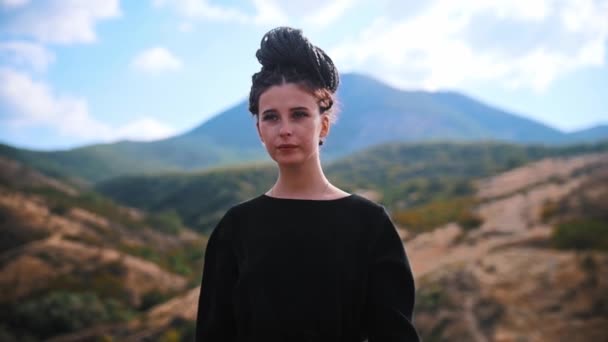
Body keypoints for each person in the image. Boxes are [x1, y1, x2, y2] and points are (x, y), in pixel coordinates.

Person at [195, 26, 420, 342]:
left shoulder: (368, 223)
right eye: (271, 117)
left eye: (299, 114)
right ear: (259, 129)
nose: (284, 129)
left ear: (323, 124)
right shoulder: (236, 228)